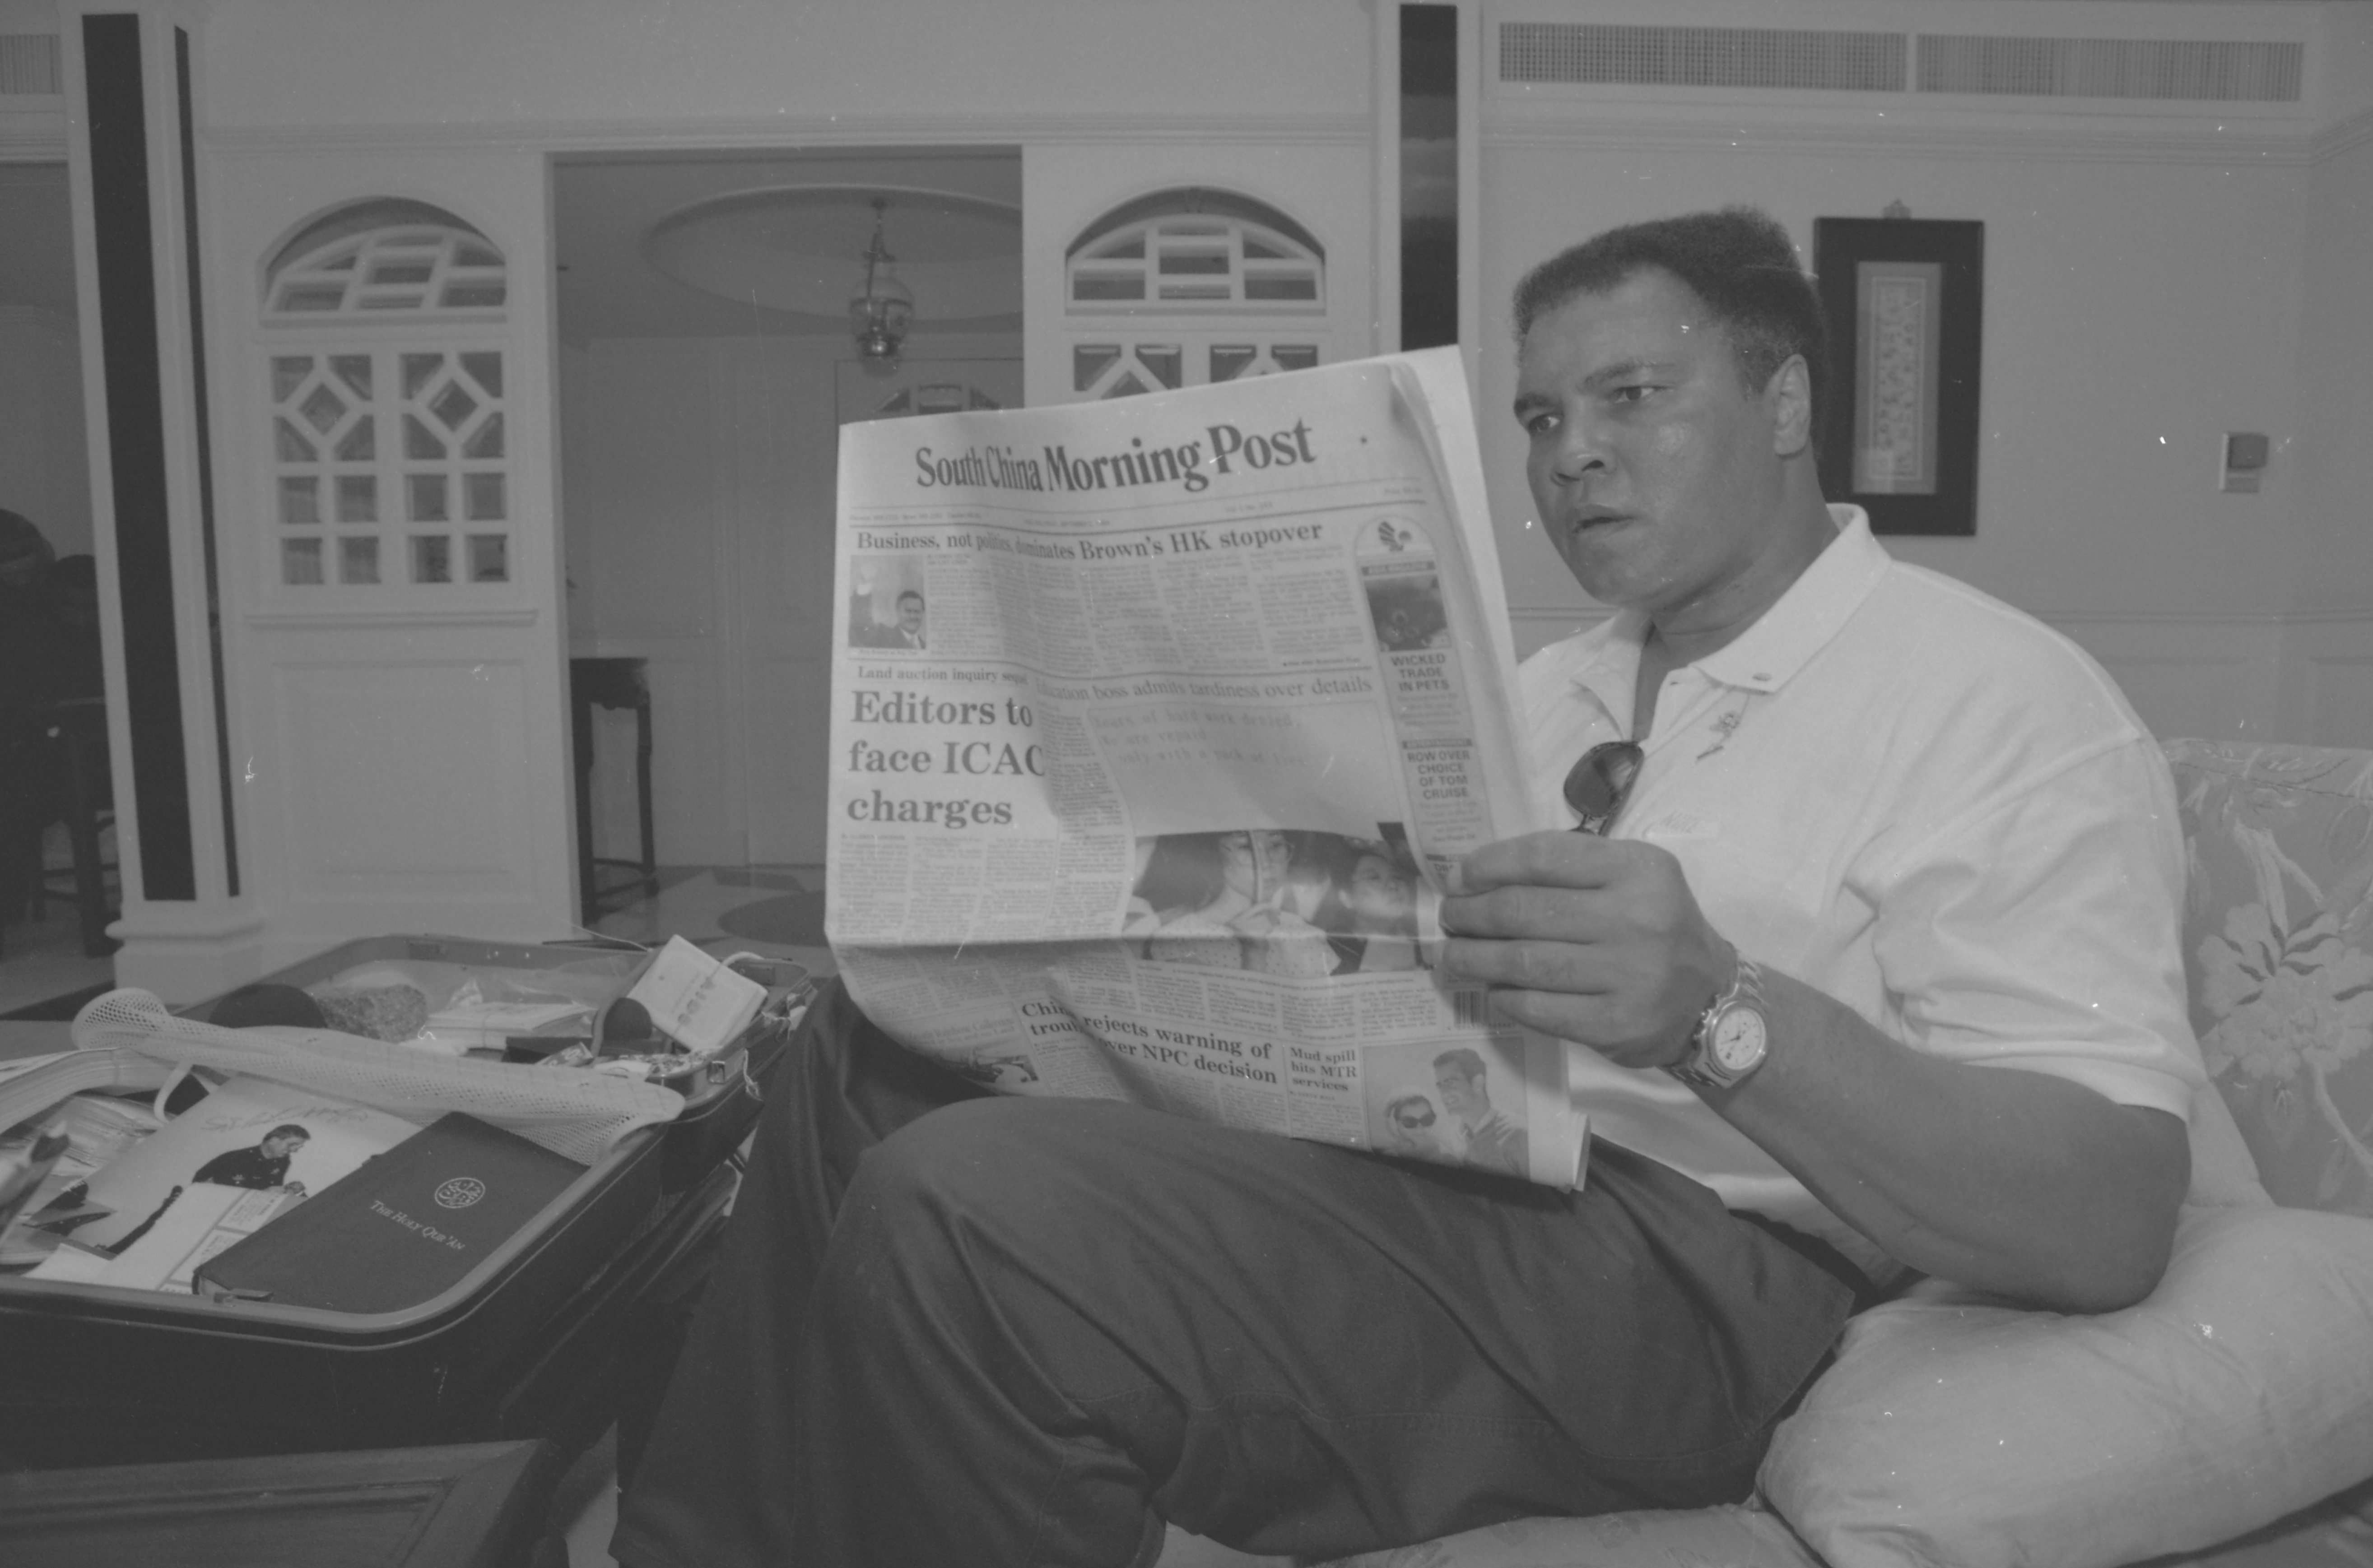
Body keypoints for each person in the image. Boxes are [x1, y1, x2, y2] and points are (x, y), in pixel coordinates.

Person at [614, 207, 2206, 1568]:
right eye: (1536, 418)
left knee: (968, 1209)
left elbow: (2111, 1210)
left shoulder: (1994, 693)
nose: (1570, 453)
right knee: (854, 1058)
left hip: (1698, 1269)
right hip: (1455, 1164)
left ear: (1782, 399)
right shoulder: (1543, 689)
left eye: (1631, 396)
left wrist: (1714, 1013)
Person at [1433, 1046, 1526, 1178]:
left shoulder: (1518, 1133)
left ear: (1478, 1082)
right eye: (1440, 1085)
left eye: (1450, 1082)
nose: (1444, 1093)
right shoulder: (1454, 1138)